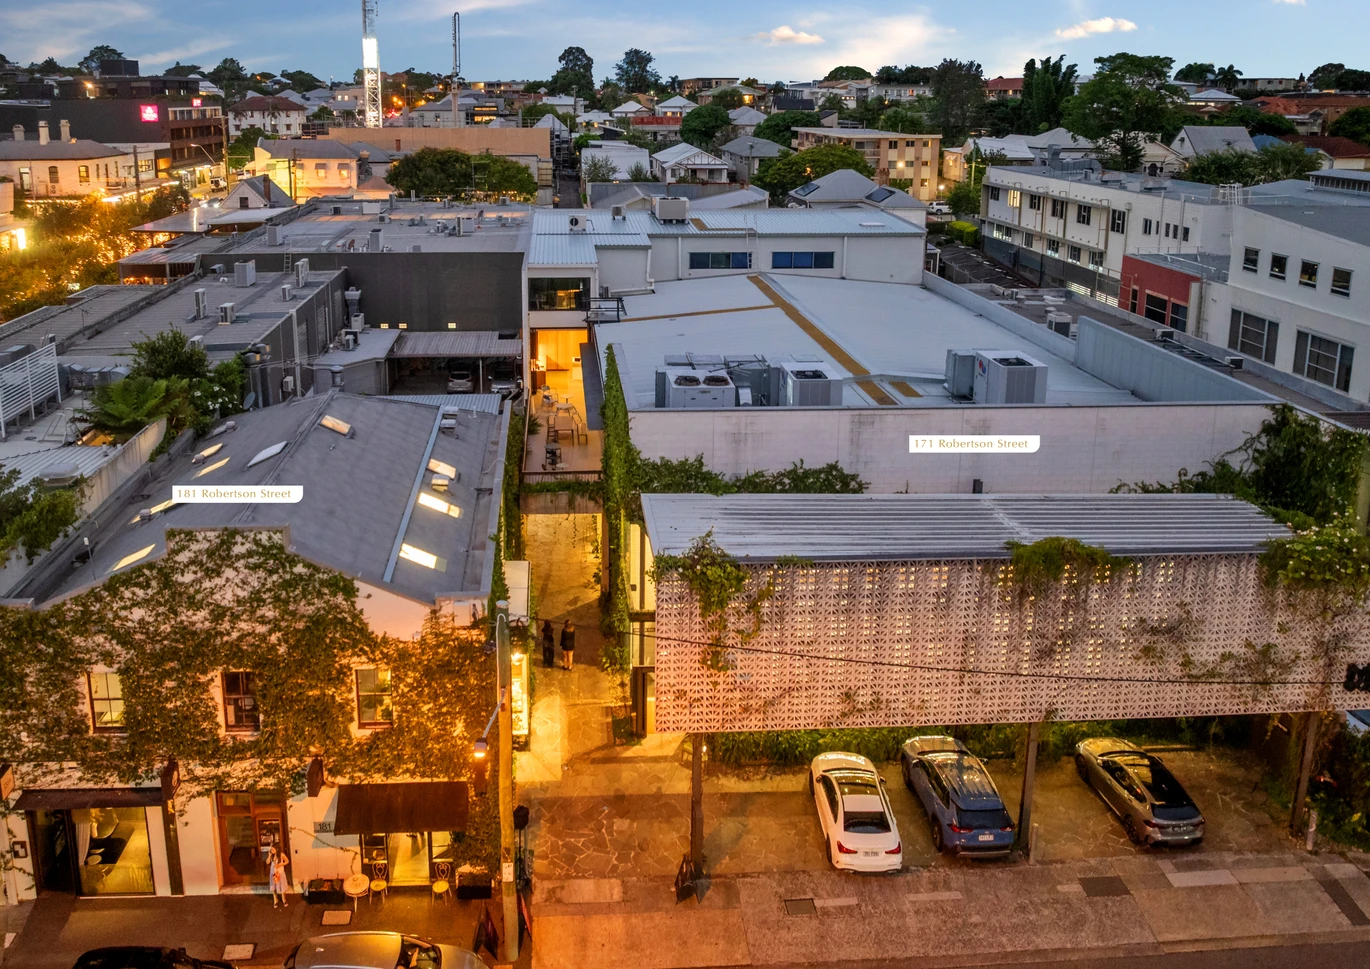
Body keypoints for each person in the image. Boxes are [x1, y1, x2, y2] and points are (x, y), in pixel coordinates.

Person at [267, 844, 290, 908]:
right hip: (273, 873)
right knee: (273, 887)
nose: (271, 850)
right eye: (271, 849)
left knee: (282, 886)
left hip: (280, 873)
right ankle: (275, 900)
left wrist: (281, 864)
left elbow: (287, 861)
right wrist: (269, 856)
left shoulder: (281, 855)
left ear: (277, 849)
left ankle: (284, 899)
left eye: (273, 849)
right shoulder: (271, 855)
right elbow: (267, 862)